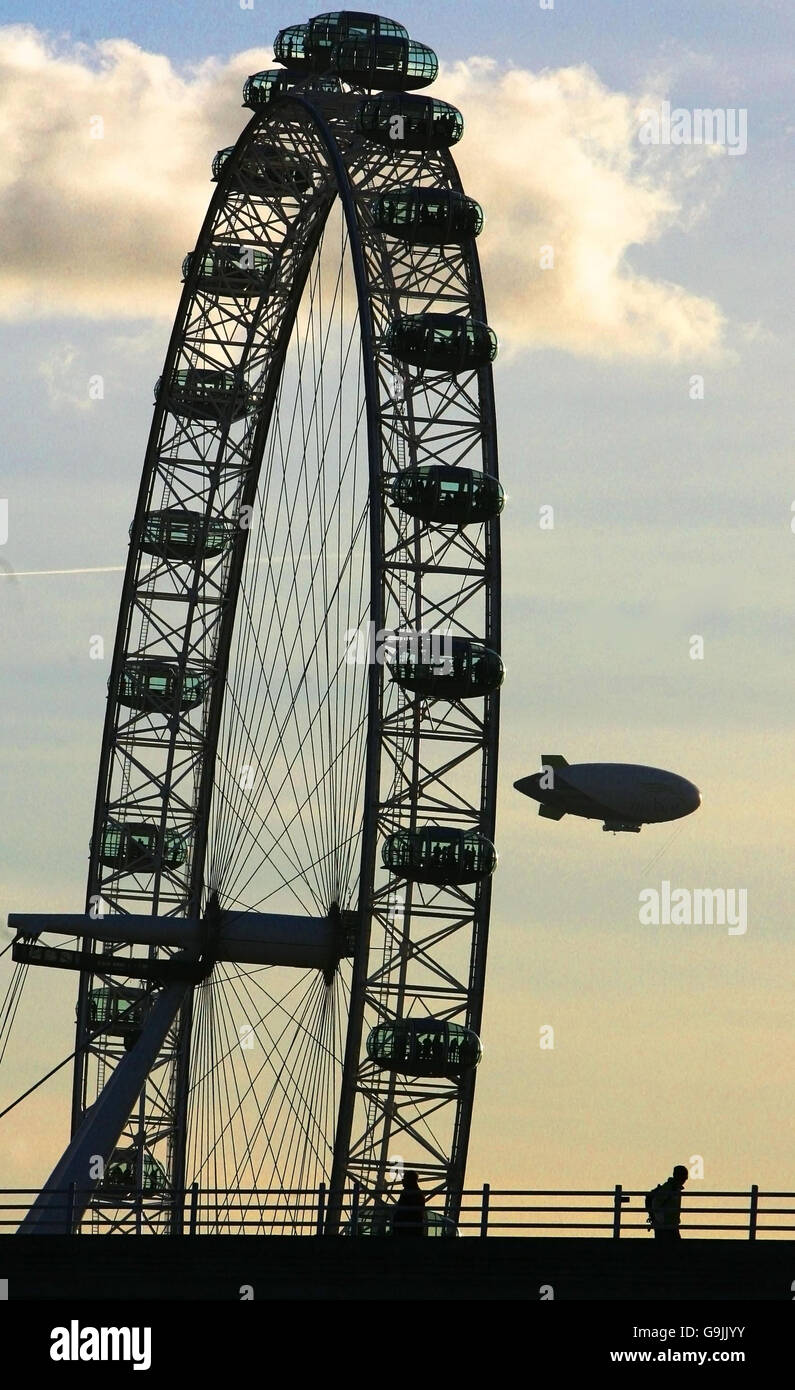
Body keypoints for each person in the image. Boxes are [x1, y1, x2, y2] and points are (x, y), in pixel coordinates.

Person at [650, 1165, 688, 1244]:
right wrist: (662, 1220)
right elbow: (656, 1203)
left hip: (669, 1224)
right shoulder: (669, 1188)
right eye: (684, 1176)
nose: (685, 1179)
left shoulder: (673, 1188)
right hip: (666, 1225)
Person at [392, 1170, 426, 1237]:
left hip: (405, 1229)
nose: (403, 1181)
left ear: (409, 1180)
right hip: (415, 1228)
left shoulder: (406, 1193)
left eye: (405, 1179)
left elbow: (401, 1210)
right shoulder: (419, 1194)